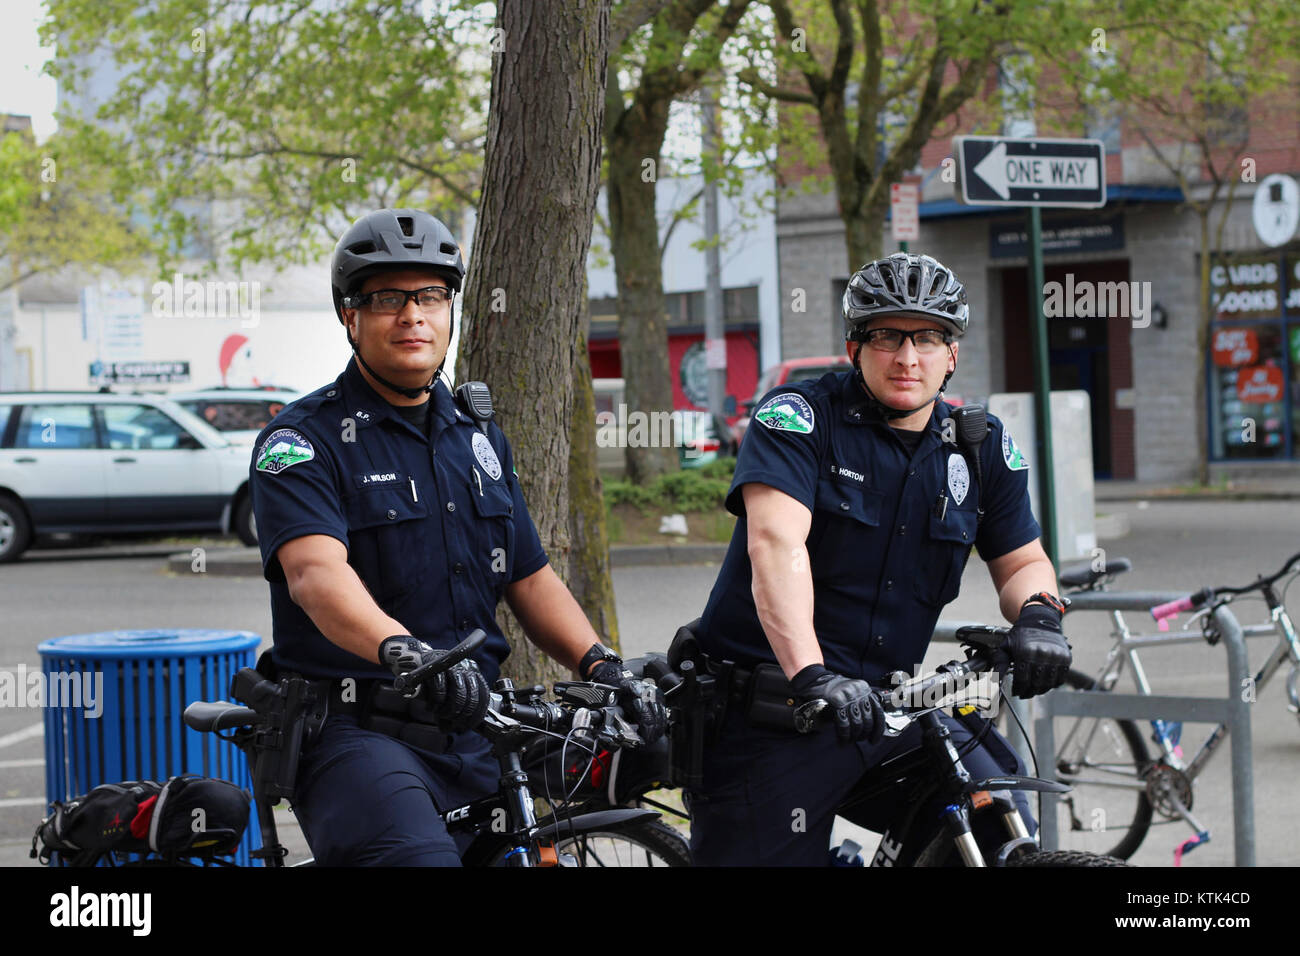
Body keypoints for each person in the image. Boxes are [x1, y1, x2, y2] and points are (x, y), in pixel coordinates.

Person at [248, 208, 664, 866]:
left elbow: (529, 576)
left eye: (431, 296)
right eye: (387, 297)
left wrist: (603, 665)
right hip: (355, 732)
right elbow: (315, 575)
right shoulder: (303, 441)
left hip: (477, 725)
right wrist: (402, 651)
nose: (412, 314)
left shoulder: (478, 438)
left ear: (450, 311)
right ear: (349, 316)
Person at [684, 252, 1071, 866]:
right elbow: (776, 545)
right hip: (775, 715)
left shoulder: (980, 446)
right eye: (886, 335)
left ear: (953, 353)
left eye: (927, 338)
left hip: (887, 710)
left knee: (995, 821)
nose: (907, 357)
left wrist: (1040, 617)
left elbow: (1023, 562)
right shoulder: (799, 419)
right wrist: (811, 675)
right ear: (853, 346)